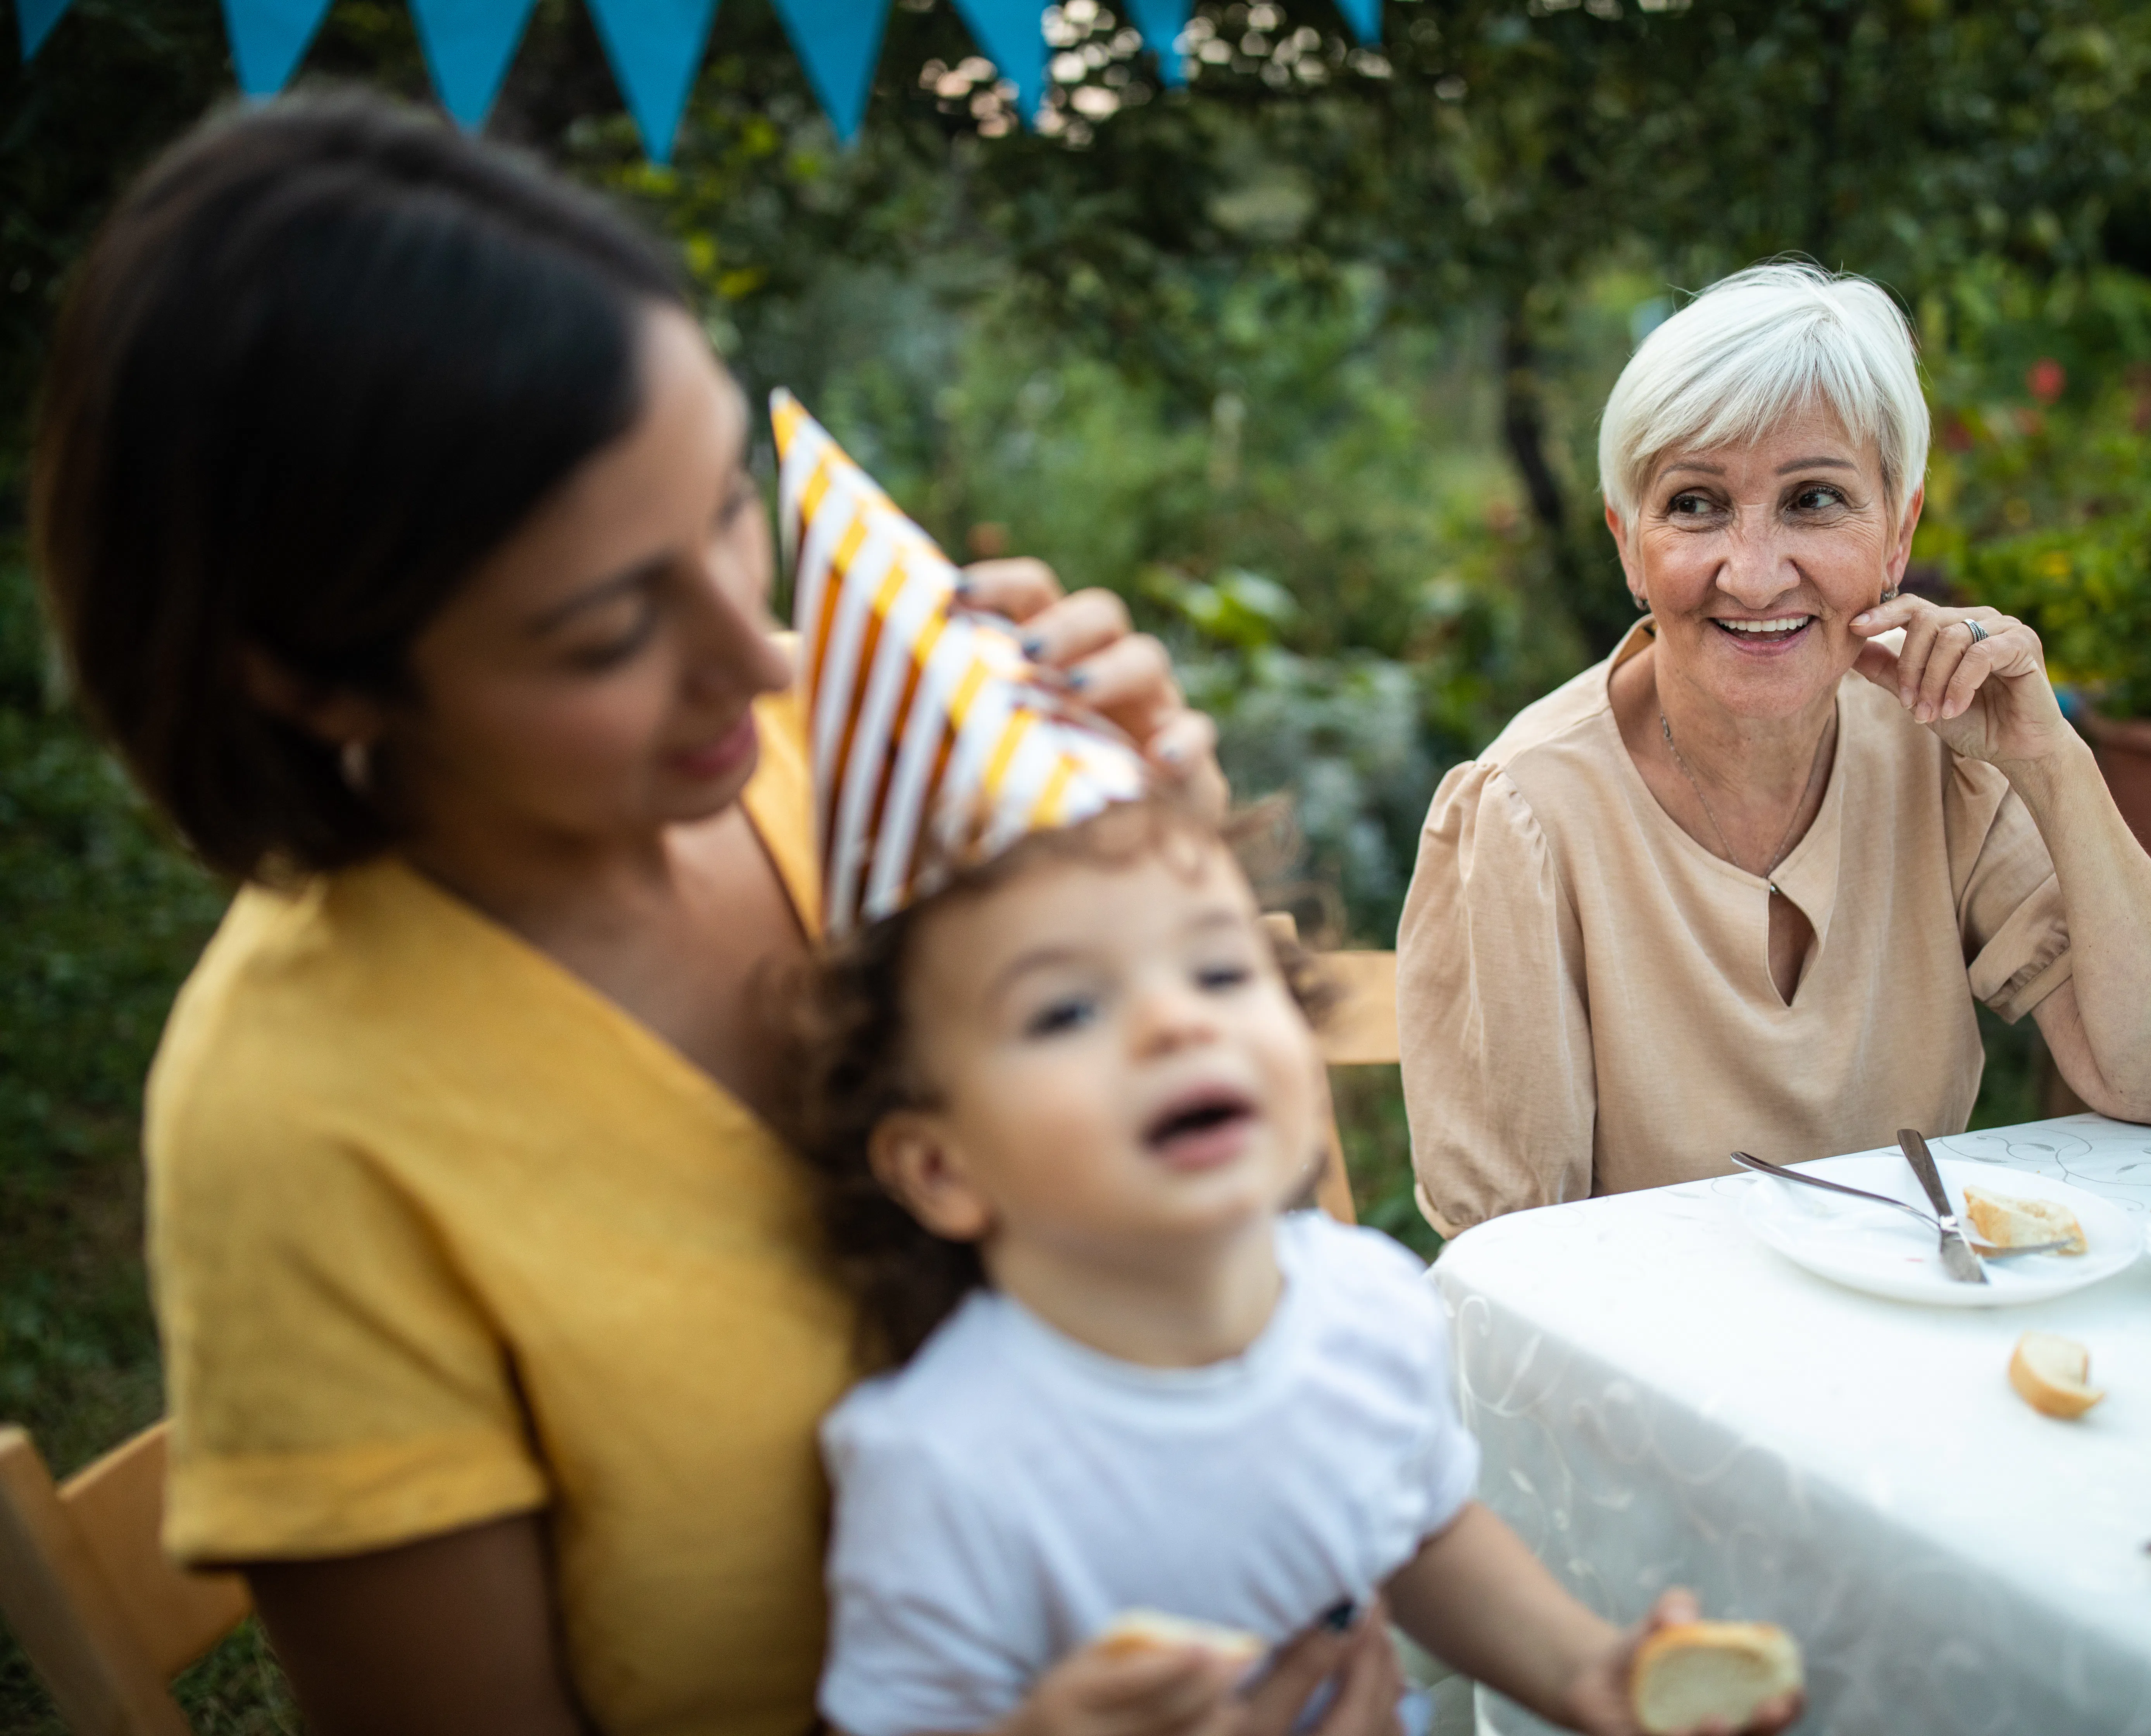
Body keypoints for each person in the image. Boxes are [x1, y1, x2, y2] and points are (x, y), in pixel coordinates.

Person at [33, 94, 1406, 1736]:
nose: (760, 660)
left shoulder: (877, 734)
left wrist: (1168, 867)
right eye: (609, 629)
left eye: (725, 512)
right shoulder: (300, 1129)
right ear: (310, 672)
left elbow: (1283, 1260)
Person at [769, 448, 1803, 1726]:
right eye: (1067, 1008)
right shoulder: (944, 1467)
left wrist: (1584, 1668)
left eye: (1216, 969)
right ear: (938, 1165)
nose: (1170, 1026)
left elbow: (1417, 1532)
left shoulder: (1366, 1310)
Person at [1397, 262, 2151, 1236]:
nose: (1752, 575)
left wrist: (2052, 761)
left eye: (1814, 500)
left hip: (1917, 1334)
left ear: (1897, 534)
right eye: (1697, 504)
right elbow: (1512, 1258)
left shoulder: (1939, 747)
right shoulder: (1523, 813)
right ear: (1629, 545)